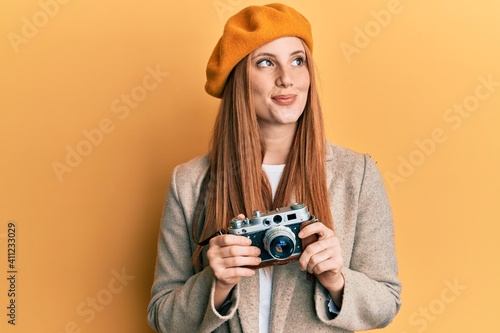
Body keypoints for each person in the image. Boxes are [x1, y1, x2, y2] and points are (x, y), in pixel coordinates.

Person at [148, 3, 401, 332]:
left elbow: (387, 302)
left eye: (298, 61)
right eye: (266, 63)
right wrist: (217, 282)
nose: (287, 79)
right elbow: (161, 317)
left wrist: (337, 280)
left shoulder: (357, 175)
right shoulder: (190, 182)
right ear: (240, 78)